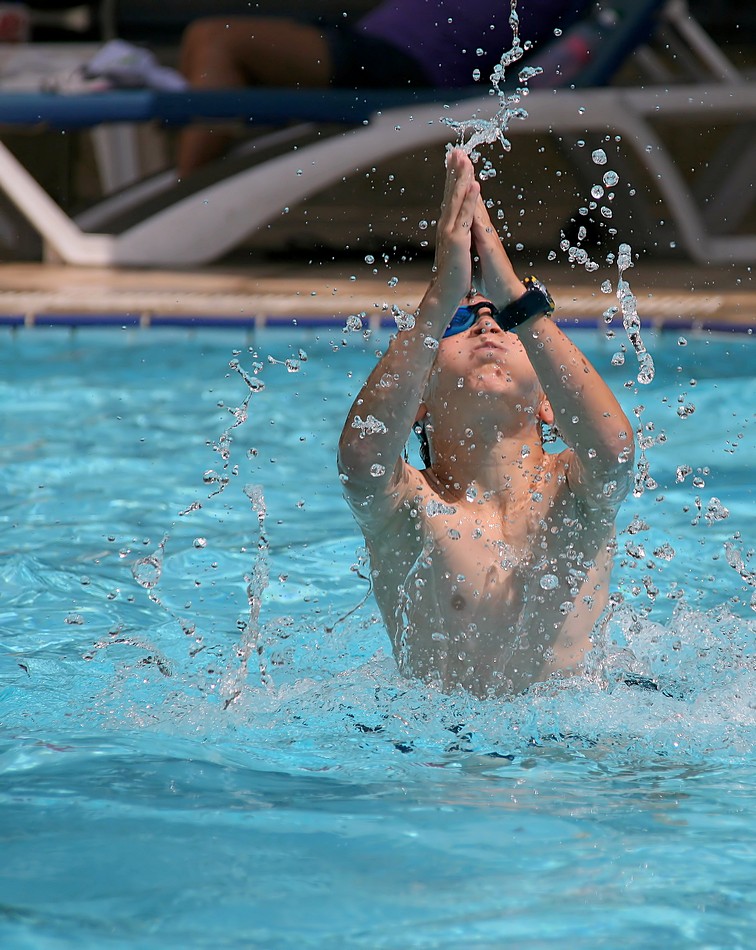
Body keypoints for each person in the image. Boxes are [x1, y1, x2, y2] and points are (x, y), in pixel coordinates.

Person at [337, 148, 635, 698]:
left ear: (548, 402)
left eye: (502, 317)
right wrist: (439, 294)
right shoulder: (409, 505)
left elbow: (614, 449)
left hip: (568, 760)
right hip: (439, 758)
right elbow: (361, 460)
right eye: (460, 317)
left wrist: (513, 291)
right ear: (419, 398)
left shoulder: (574, 490)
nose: (486, 325)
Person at [177, 0, 591, 176]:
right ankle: (192, 179)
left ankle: (188, 194)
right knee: (204, 41)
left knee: (219, 40)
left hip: (407, 68)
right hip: (368, 47)